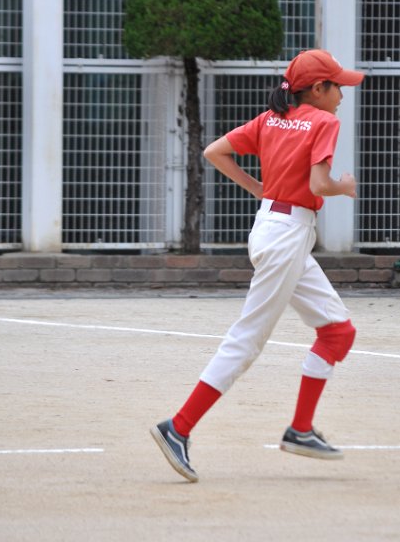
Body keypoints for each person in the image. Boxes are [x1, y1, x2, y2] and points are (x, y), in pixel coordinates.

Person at [150, 49, 365, 482]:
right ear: (317, 89)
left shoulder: (271, 118)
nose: (342, 94)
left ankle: (300, 429)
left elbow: (215, 151)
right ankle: (179, 427)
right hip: (287, 236)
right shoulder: (323, 121)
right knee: (246, 340)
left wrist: (260, 190)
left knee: (337, 332)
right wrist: (343, 187)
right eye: (337, 86)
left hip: (273, 228)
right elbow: (319, 183)